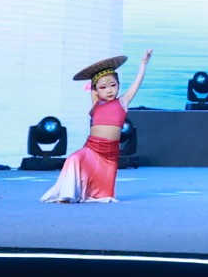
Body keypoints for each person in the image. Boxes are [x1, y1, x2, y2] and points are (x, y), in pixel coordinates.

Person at [41, 50, 152, 204]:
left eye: (113, 85)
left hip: (109, 154)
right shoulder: (96, 103)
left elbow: (137, 83)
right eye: (103, 87)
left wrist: (143, 64)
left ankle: (87, 193)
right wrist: (96, 73)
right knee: (73, 159)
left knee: (104, 195)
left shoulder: (123, 101)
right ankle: (67, 195)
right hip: (92, 149)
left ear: (118, 85)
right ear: (96, 90)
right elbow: (94, 85)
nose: (109, 90)